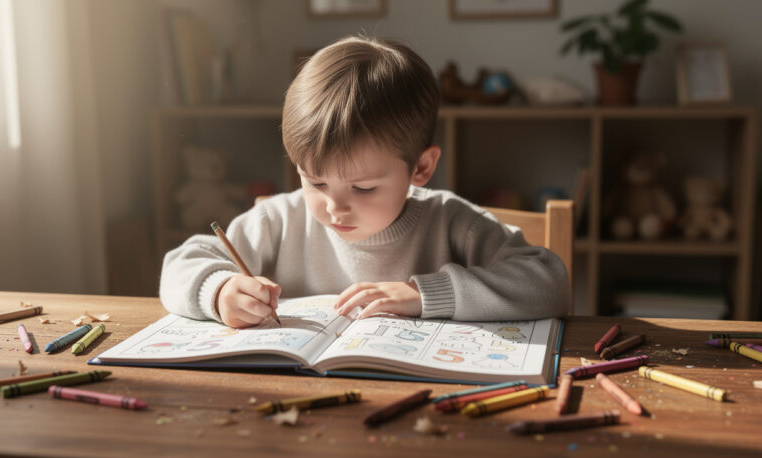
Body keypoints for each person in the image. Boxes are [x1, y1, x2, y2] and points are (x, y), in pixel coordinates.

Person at [159, 36, 570, 328]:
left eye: (363, 188)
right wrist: (220, 291)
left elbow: (550, 283)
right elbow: (178, 266)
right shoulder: (277, 220)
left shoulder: (453, 224)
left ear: (421, 167)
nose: (335, 208)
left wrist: (428, 295)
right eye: (316, 182)